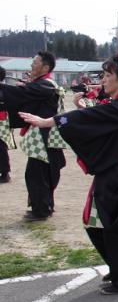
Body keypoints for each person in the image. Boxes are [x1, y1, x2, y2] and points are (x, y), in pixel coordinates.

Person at [19, 51, 118, 294]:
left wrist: (51, 121)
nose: (104, 79)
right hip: (114, 170)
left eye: (108, 75)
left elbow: (92, 116)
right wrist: (78, 108)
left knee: (114, 225)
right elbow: (95, 114)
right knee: (95, 222)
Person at [0, 51, 67, 221]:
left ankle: (42, 210)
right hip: (44, 135)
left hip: (45, 136)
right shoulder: (42, 85)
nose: (31, 65)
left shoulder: (46, 85)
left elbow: (22, 95)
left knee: (37, 173)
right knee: (41, 172)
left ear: (45, 67)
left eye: (35, 62)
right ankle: (44, 206)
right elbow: (25, 95)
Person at [0, 66, 15, 184]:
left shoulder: (3, 90)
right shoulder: (5, 89)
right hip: (3, 121)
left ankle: (5, 173)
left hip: (1, 121)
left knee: (1, 147)